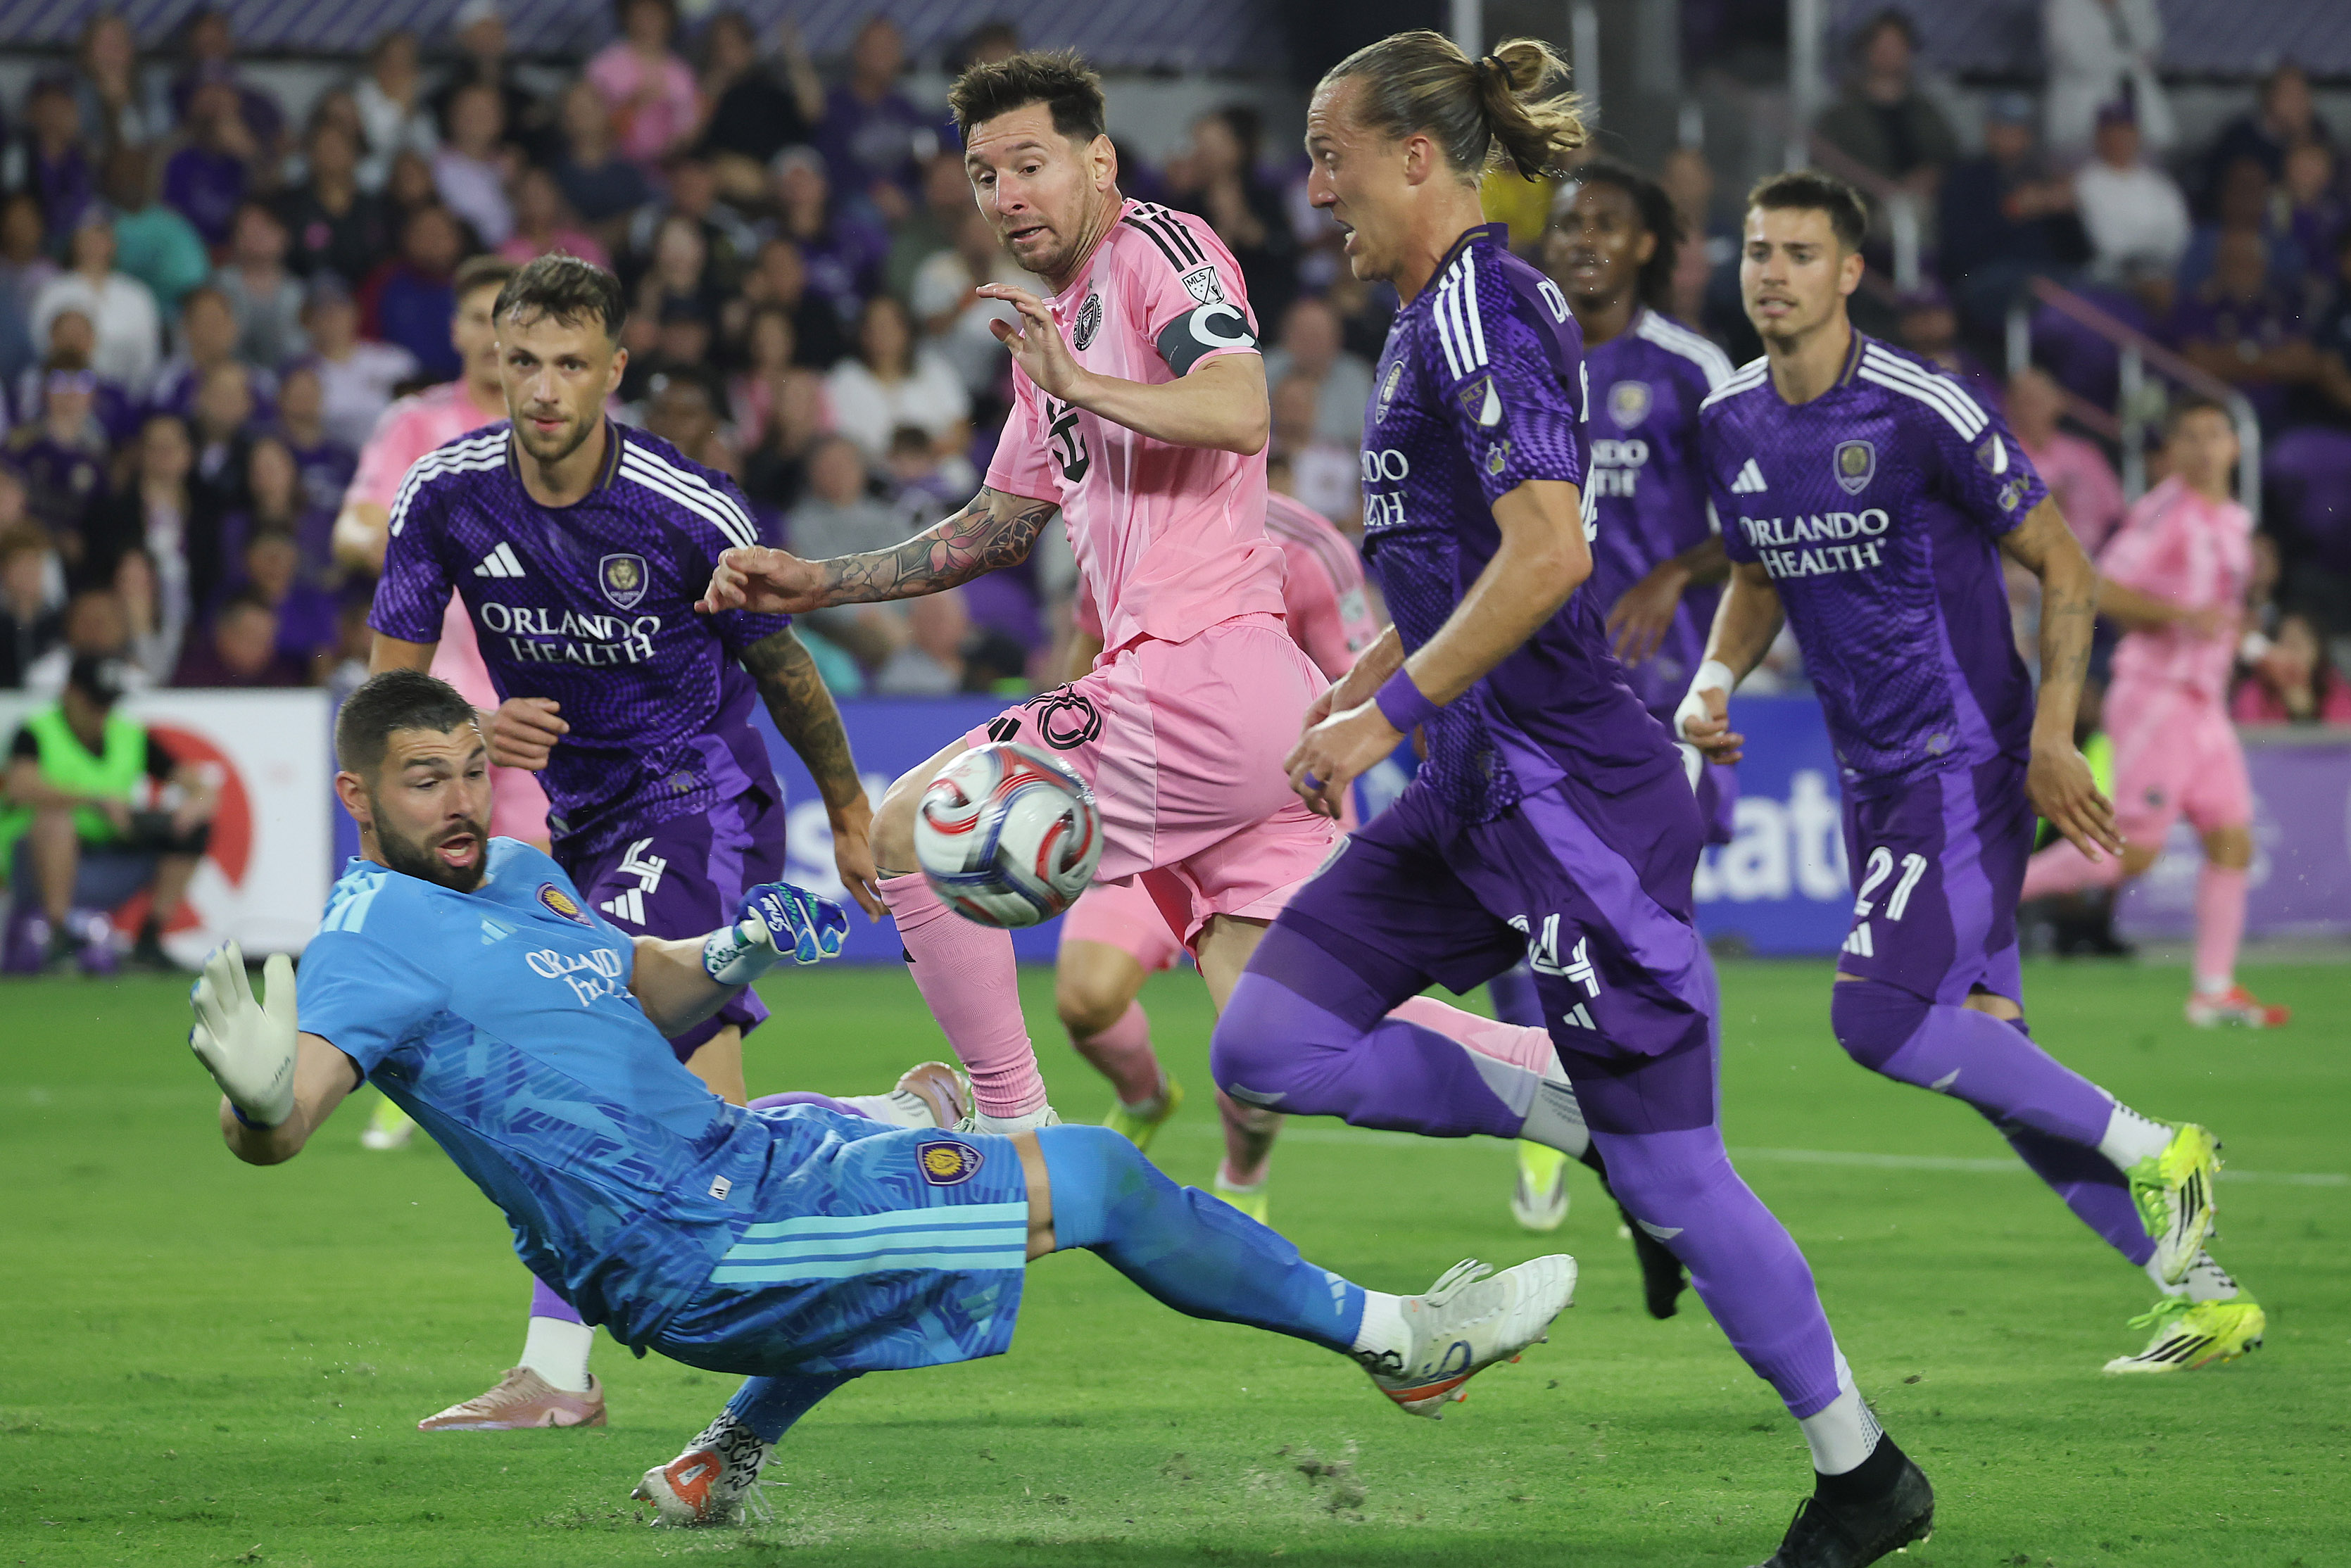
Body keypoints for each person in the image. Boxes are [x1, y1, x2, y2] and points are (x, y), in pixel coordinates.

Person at [184, 666, 1575, 1525]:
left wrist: (723, 952)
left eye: (474, 772)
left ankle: (714, 1463)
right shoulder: (364, 944)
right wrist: (254, 1104)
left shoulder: (508, 873)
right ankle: (1401, 1340)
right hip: (692, 1247)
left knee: (918, 1116)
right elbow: (288, 1121)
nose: (461, 800)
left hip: (740, 1161)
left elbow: (640, 997)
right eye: (427, 782)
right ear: (358, 796)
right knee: (1087, 1176)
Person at [1171, 37, 1943, 1568]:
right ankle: (1550, 1094)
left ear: (1413, 156)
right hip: (1473, 785)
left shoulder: (1477, 301)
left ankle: (1861, 1472)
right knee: (1264, 1039)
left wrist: (1379, 709)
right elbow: (1468, 565)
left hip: (1575, 798)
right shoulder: (1423, 320)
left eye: (1330, 150)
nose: (1310, 183)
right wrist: (1367, 684)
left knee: (1675, 1170)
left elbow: (1548, 559)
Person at [700, 51, 1579, 1191]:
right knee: (1287, 1038)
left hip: (1193, 673)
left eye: (1030, 163)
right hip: (1238, 709)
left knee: (913, 830)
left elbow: (1237, 401)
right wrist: (824, 583)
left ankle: (1018, 1135)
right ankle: (1576, 1084)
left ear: (1098, 161)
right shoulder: (1049, 329)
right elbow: (1002, 526)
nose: (1006, 194)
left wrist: (1083, 383)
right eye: (982, 175)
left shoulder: (1160, 251)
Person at [1682, 170, 2261, 1381]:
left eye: (1798, 252)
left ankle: (2165, 1148)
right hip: (1866, 771)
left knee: (1877, 1019)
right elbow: (1755, 571)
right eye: (1755, 251)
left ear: (1849, 272)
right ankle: (2200, 1291)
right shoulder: (1730, 418)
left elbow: (2066, 565)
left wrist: (2053, 731)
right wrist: (1715, 681)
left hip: (1961, 754)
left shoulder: (1919, 405)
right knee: (1993, 1050)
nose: (1771, 273)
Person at [365, 255, 885, 1434]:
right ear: (495, 363)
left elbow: (783, 665)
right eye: (524, 361)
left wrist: (848, 808)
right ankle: (898, 1119)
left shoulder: (683, 506)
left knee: (584, 1044)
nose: (545, 389)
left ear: (612, 371)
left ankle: (556, 1369)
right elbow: (390, 703)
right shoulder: (442, 496)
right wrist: (470, 736)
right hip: (583, 816)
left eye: (569, 364)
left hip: (696, 792)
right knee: (696, 1141)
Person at [1517, 158, 1737, 1270]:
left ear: (1647, 244)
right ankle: (1584, 1135)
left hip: (1660, 692)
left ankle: (1661, 1155)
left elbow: (1762, 514)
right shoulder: (1520, 352)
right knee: (1541, 910)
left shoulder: (1692, 371)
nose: (1582, 241)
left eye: (1606, 225)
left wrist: (1672, 575)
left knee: (1646, 932)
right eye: (1567, 226)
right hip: (1540, 683)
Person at [1055, 488, 1382, 1218]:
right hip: (1146, 799)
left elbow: (1365, 688)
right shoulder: (1125, 528)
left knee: (1262, 1049)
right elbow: (1085, 654)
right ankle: (1146, 1098)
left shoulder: (1311, 547)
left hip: (1278, 810)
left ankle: (1242, 1172)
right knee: (1084, 999)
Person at [2022, 399, 2288, 1029]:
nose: (2202, 448)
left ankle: (2213, 991)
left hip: (2205, 701)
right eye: (2188, 437)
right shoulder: (2167, 511)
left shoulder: (2229, 519)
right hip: (2157, 695)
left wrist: (2259, 652)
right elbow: (2097, 585)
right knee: (2136, 852)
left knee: (2231, 840)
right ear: (2171, 451)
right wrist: (2177, 619)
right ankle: (1989, 893)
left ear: (2235, 447)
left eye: (2214, 434)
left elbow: (2216, 612)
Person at [1, 652, 215, 972]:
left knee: (192, 828)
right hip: (36, 864)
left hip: (108, 856)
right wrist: (94, 800)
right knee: (55, 821)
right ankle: (58, 936)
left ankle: (149, 939)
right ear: (70, 694)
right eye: (94, 702)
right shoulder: (36, 730)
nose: (102, 713)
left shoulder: (128, 734)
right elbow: (19, 785)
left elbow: (197, 784)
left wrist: (196, 803)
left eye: (108, 703)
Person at [824, 294, 969, 465]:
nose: (883, 333)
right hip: (873, 479)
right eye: (874, 326)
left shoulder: (933, 369)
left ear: (907, 330)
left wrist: (922, 462)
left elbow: (961, 430)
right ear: (862, 332)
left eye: (890, 325)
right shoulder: (845, 378)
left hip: (939, 472)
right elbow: (839, 443)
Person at [29, 210, 160, 393]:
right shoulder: (53, 291)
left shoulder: (137, 294)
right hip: (67, 391)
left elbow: (148, 356)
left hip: (126, 393)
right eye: (87, 238)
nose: (94, 246)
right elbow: (41, 346)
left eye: (101, 238)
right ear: (75, 242)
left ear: (113, 244)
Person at [2073, 106, 2191, 287]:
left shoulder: (2159, 182)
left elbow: (2180, 232)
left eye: (2126, 132)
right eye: (2113, 133)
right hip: (2112, 279)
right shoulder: (2087, 181)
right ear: (2100, 138)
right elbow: (2109, 242)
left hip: (2165, 273)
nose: (2121, 140)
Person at [2043, 0, 2172, 163]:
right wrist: (2130, 61)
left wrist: (2118, 9)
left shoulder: (2137, 3)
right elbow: (2080, 58)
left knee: (2143, 171)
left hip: (2136, 104)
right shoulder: (2065, 5)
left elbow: (2151, 46)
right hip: (2082, 111)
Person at [276, 117, 396, 286]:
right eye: (323, 146)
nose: (332, 153)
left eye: (339, 146)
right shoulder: (288, 205)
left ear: (355, 153)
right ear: (310, 154)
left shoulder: (378, 206)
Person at [586, 0, 702, 172]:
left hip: (668, 171)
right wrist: (632, 106)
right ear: (627, 16)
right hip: (612, 167)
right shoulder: (604, 66)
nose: (648, 20)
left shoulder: (682, 72)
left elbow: (690, 128)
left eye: (655, 13)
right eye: (641, 12)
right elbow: (587, 126)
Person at [212, 203, 308, 371]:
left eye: (264, 229)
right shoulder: (219, 285)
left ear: (283, 235)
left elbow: (303, 349)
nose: (256, 236)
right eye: (248, 229)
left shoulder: (297, 291)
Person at [172, 587, 307, 687]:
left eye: (267, 640)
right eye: (252, 637)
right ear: (223, 634)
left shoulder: (282, 678)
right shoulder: (190, 676)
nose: (262, 649)